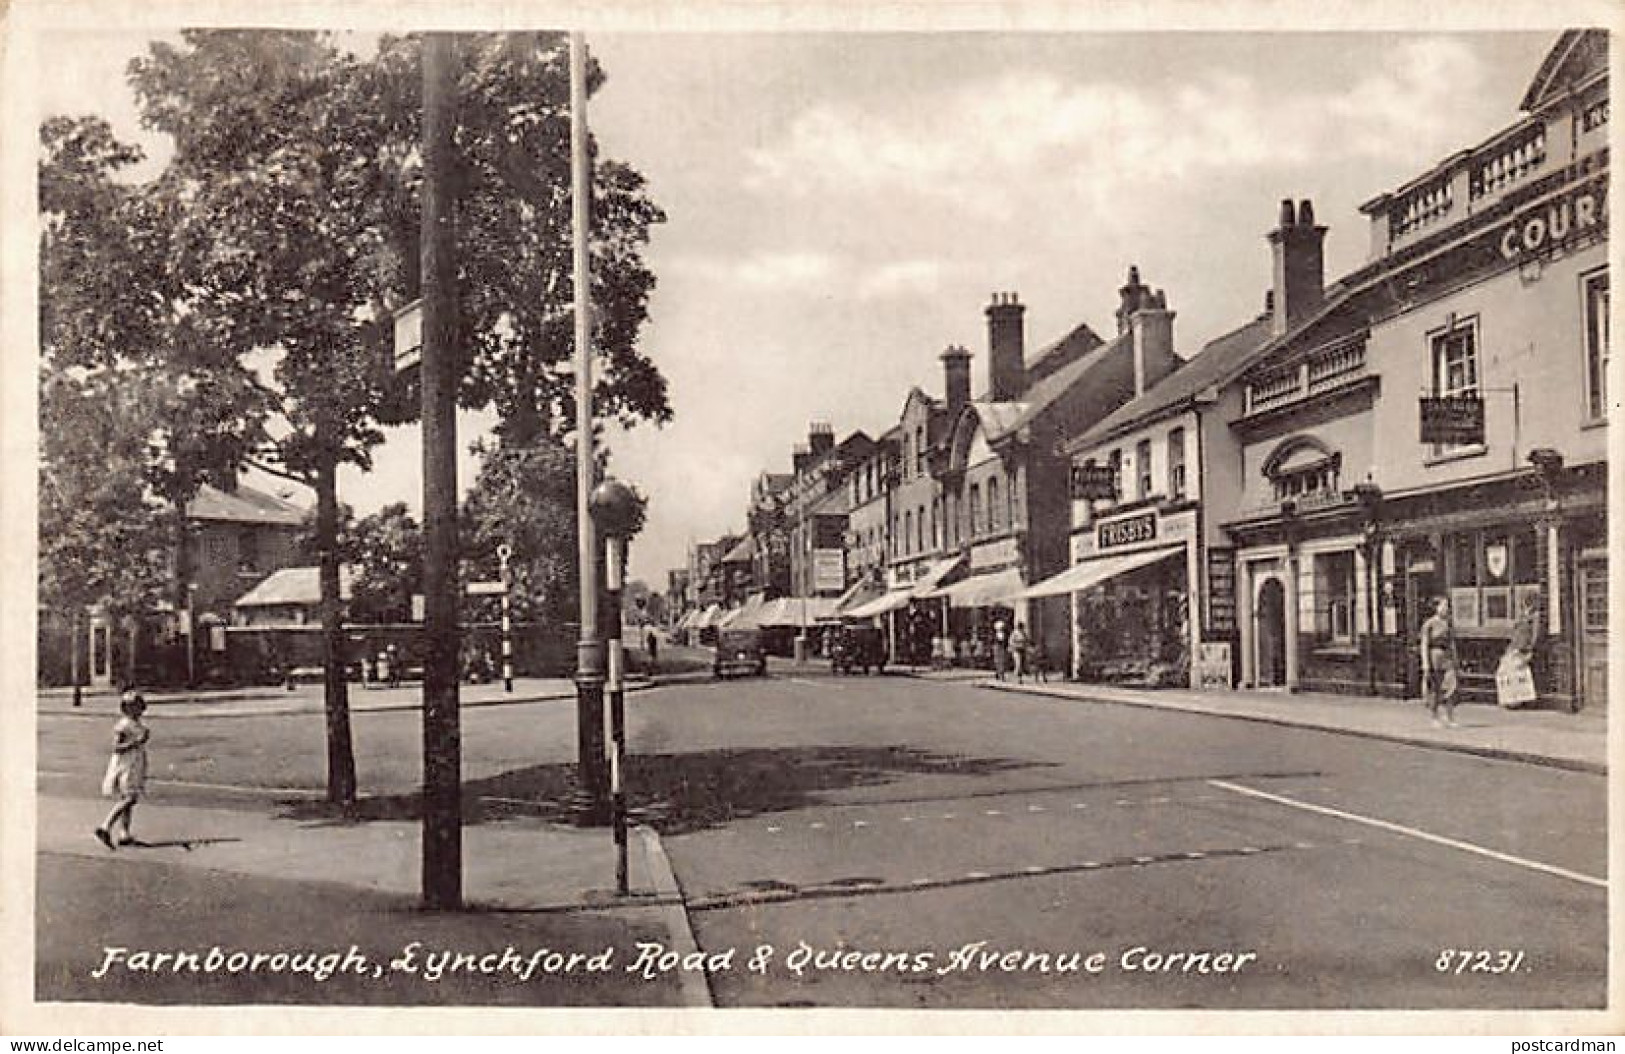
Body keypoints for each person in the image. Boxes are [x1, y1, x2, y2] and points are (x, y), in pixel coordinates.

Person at [95, 690, 150, 850]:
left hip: (134, 764)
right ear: (127, 709)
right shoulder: (123, 725)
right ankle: (105, 826)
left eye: (141, 706)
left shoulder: (136, 723)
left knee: (128, 799)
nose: (140, 710)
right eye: (136, 707)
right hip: (125, 765)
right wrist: (136, 742)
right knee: (129, 799)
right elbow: (116, 747)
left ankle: (124, 833)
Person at [1419, 597, 1459, 728]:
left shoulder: (1449, 623)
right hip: (1434, 656)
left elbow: (1452, 642)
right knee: (1435, 688)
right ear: (1436, 608)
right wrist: (1425, 663)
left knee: (1451, 686)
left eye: (1447, 606)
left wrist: (1455, 658)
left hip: (1447, 657)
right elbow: (1424, 644)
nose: (1446, 608)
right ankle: (1434, 717)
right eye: (1443, 606)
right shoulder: (1429, 624)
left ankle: (1450, 717)